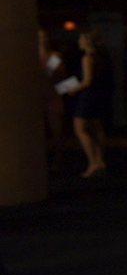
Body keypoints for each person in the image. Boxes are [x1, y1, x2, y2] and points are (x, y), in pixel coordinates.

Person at [71, 29, 112, 178]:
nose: (79, 42)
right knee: (97, 128)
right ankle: (100, 160)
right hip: (98, 95)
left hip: (88, 96)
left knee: (80, 128)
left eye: (81, 40)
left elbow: (87, 81)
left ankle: (93, 161)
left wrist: (74, 89)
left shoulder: (87, 58)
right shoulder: (100, 57)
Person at [39, 29, 67, 172]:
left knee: (56, 131)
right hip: (38, 98)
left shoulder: (54, 56)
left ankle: (58, 161)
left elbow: (62, 76)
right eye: (40, 37)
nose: (43, 40)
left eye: (44, 37)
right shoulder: (30, 56)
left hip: (53, 96)